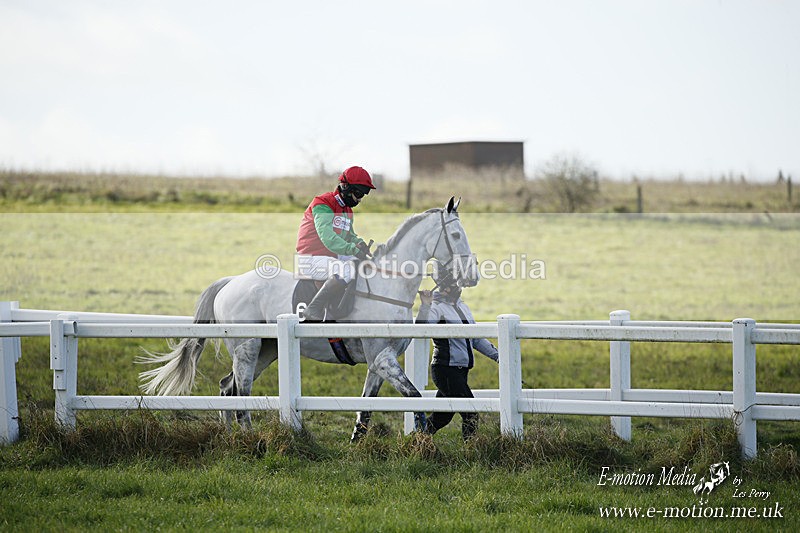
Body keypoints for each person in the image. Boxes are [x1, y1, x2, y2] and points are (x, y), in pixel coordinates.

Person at [416, 263, 499, 440]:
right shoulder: (436, 308)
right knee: (471, 412)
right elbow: (421, 329)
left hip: (461, 370)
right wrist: (425, 306)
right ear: (444, 286)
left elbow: (475, 338)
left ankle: (417, 441)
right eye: (455, 284)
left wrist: (499, 356)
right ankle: (471, 450)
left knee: (442, 416)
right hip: (445, 369)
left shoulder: (462, 306)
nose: (458, 287)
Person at [296, 166, 375, 321]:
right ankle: (314, 308)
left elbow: (350, 236)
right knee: (346, 271)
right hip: (311, 259)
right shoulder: (323, 203)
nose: (359, 199)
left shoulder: (347, 210)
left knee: (363, 266)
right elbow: (329, 238)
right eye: (358, 193)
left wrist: (359, 244)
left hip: (332, 258)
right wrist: (352, 249)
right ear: (345, 187)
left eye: (362, 196)